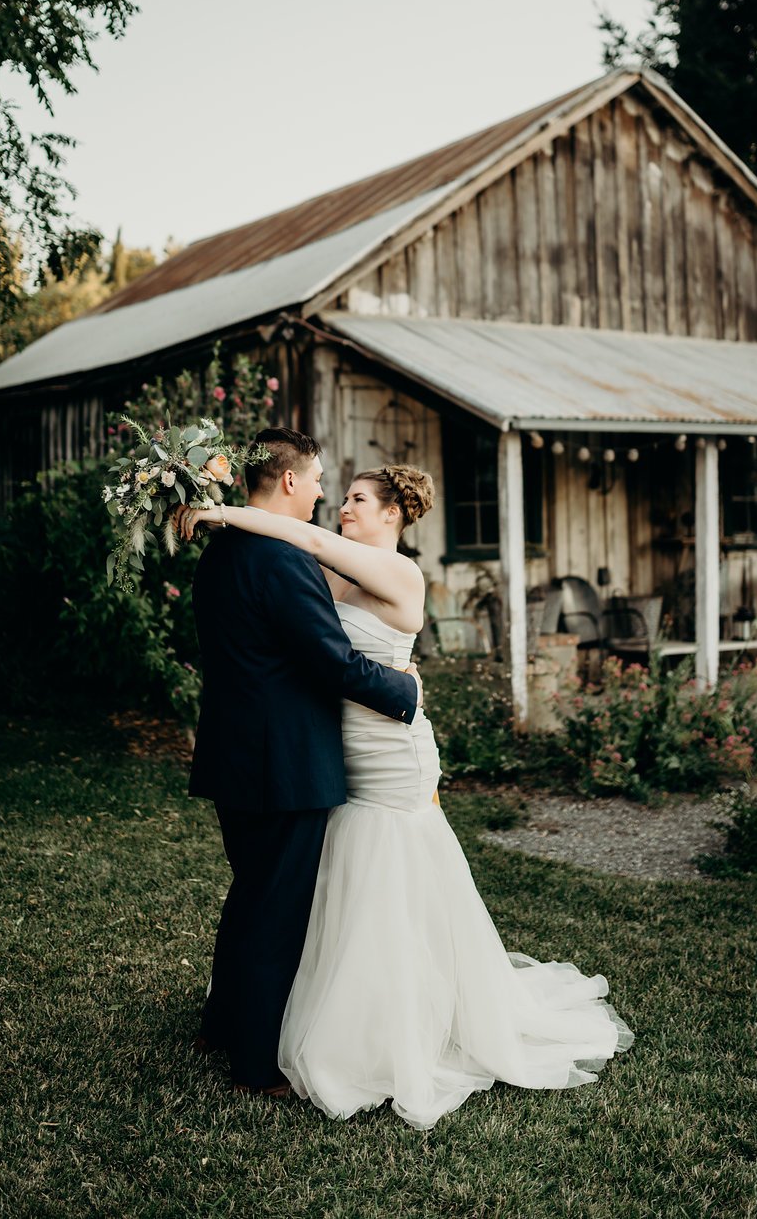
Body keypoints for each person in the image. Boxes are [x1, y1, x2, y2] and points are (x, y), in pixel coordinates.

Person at [180, 457, 633, 1130]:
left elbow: (297, 537)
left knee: (391, 868)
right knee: (341, 877)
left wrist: (216, 510)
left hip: (392, 748)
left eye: (359, 499)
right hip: (339, 748)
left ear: (393, 513)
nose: (344, 508)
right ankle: (323, 1009)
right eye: (342, 497)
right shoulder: (335, 570)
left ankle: (406, 1019)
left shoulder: (397, 571)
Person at [184, 428, 421, 1097]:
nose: (322, 491)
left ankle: (220, 1024)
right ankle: (256, 1068)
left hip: (233, 754)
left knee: (251, 893)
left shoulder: (222, 551)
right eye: (317, 479)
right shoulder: (282, 560)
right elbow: (331, 662)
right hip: (283, 763)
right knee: (276, 912)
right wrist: (406, 689)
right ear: (288, 481)